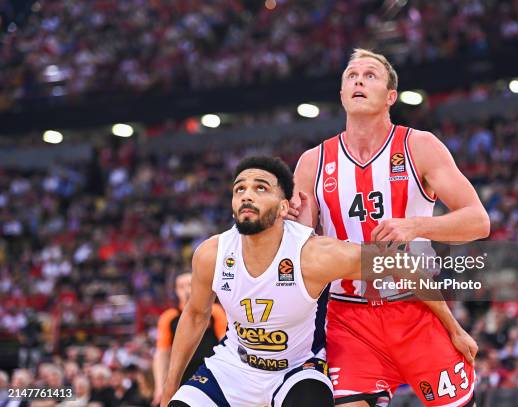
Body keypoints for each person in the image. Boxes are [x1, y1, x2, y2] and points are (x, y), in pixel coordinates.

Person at [292, 48, 489, 406]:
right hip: (347, 318)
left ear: (390, 96)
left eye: (370, 75)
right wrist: (291, 225)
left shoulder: (420, 146)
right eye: (351, 76)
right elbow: (300, 245)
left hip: (416, 307)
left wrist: (415, 226)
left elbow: (479, 221)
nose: (359, 81)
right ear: (341, 95)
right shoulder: (313, 161)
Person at [161, 156, 380, 407]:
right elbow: (195, 315)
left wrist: (437, 311)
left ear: (284, 208)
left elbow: (407, 264)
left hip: (297, 369)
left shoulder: (312, 254)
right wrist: (170, 386)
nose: (247, 195)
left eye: (260, 188)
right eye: (239, 188)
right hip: (234, 367)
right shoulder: (212, 253)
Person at [152, 272, 227, 405]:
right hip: (182, 373)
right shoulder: (169, 317)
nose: (186, 290)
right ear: (176, 291)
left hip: (210, 372)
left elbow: (225, 343)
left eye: (189, 285)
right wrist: (159, 386)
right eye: (181, 287)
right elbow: (161, 353)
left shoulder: (215, 311)